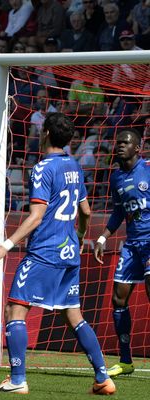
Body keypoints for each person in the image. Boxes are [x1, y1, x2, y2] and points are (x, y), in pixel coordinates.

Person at [0, 113, 116, 395]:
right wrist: (79, 237)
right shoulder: (75, 166)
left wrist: (4, 246)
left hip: (44, 253)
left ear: (46, 135)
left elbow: (36, 216)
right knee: (74, 316)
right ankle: (103, 378)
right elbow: (86, 212)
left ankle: (17, 379)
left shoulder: (42, 168)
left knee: (14, 309)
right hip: (69, 254)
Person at [93, 129, 150, 378]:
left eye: (125, 143)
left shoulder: (148, 170)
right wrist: (103, 237)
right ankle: (126, 361)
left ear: (138, 148)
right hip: (131, 244)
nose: (119, 146)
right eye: (118, 143)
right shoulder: (116, 178)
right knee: (118, 299)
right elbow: (119, 212)